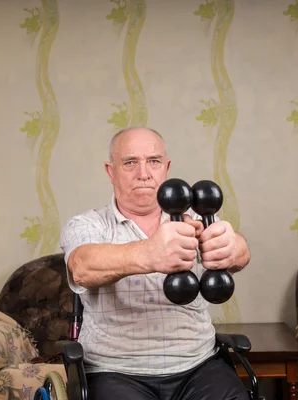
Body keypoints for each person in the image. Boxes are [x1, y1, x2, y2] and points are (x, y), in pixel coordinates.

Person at [59, 127, 252, 400]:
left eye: (154, 161)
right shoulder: (88, 224)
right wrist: (150, 253)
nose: (144, 173)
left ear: (166, 168)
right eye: (130, 162)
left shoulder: (195, 217)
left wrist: (235, 248)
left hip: (198, 365)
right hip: (115, 371)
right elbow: (82, 267)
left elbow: (240, 251)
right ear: (111, 171)